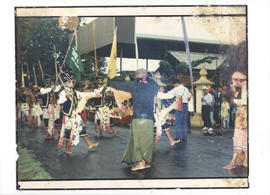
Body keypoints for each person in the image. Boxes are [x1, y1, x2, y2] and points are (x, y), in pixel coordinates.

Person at [109, 68, 160, 171]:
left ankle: (140, 163)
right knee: (147, 142)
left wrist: (109, 81)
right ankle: (145, 162)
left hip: (138, 118)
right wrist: (147, 78)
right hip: (149, 118)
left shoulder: (134, 85)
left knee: (138, 142)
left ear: (137, 77)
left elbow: (118, 85)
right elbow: (157, 85)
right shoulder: (152, 87)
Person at [57, 71, 101, 155]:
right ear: (66, 83)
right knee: (69, 133)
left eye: (74, 82)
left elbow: (84, 94)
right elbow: (59, 101)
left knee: (82, 129)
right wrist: (66, 97)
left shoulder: (75, 92)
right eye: (72, 82)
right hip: (68, 117)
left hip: (75, 115)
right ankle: (66, 149)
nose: (73, 83)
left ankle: (89, 144)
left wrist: (95, 94)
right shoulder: (63, 92)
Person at [224, 71, 247, 169]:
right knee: (239, 138)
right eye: (235, 80)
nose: (237, 82)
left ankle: (237, 160)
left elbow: (244, 102)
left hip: (244, 117)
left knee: (241, 138)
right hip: (240, 117)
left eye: (240, 80)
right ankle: (239, 160)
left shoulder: (245, 89)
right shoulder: (239, 91)